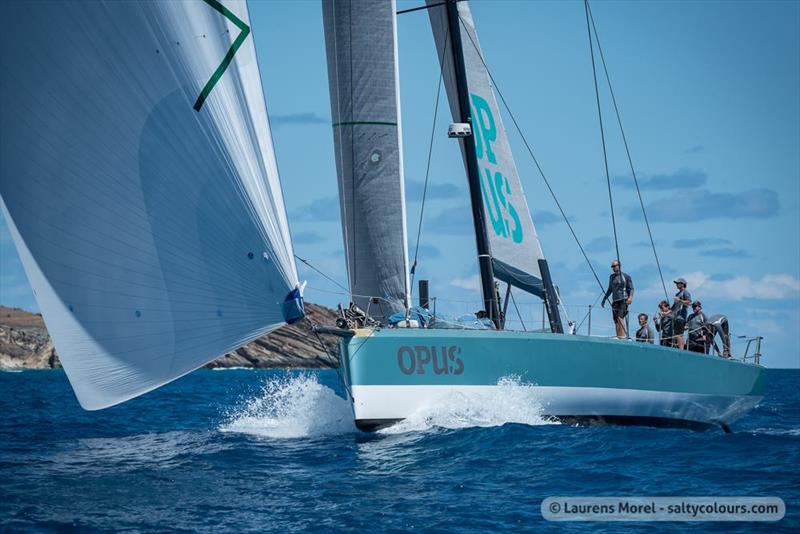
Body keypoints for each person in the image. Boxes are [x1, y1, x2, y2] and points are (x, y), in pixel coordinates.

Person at [601, 260, 634, 339]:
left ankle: (622, 336)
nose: (614, 268)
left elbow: (631, 288)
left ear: (619, 266)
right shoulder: (611, 277)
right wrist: (604, 299)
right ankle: (618, 336)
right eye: (612, 266)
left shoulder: (626, 276)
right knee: (615, 320)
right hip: (615, 300)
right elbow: (610, 289)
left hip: (623, 299)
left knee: (620, 317)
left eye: (615, 266)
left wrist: (630, 298)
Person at [671, 278, 692, 350]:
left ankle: (681, 349)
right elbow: (673, 307)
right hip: (676, 316)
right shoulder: (677, 294)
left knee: (679, 334)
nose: (676, 285)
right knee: (678, 334)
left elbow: (689, 302)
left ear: (682, 284)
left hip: (681, 316)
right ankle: (680, 348)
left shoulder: (685, 292)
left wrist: (679, 300)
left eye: (677, 283)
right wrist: (665, 313)